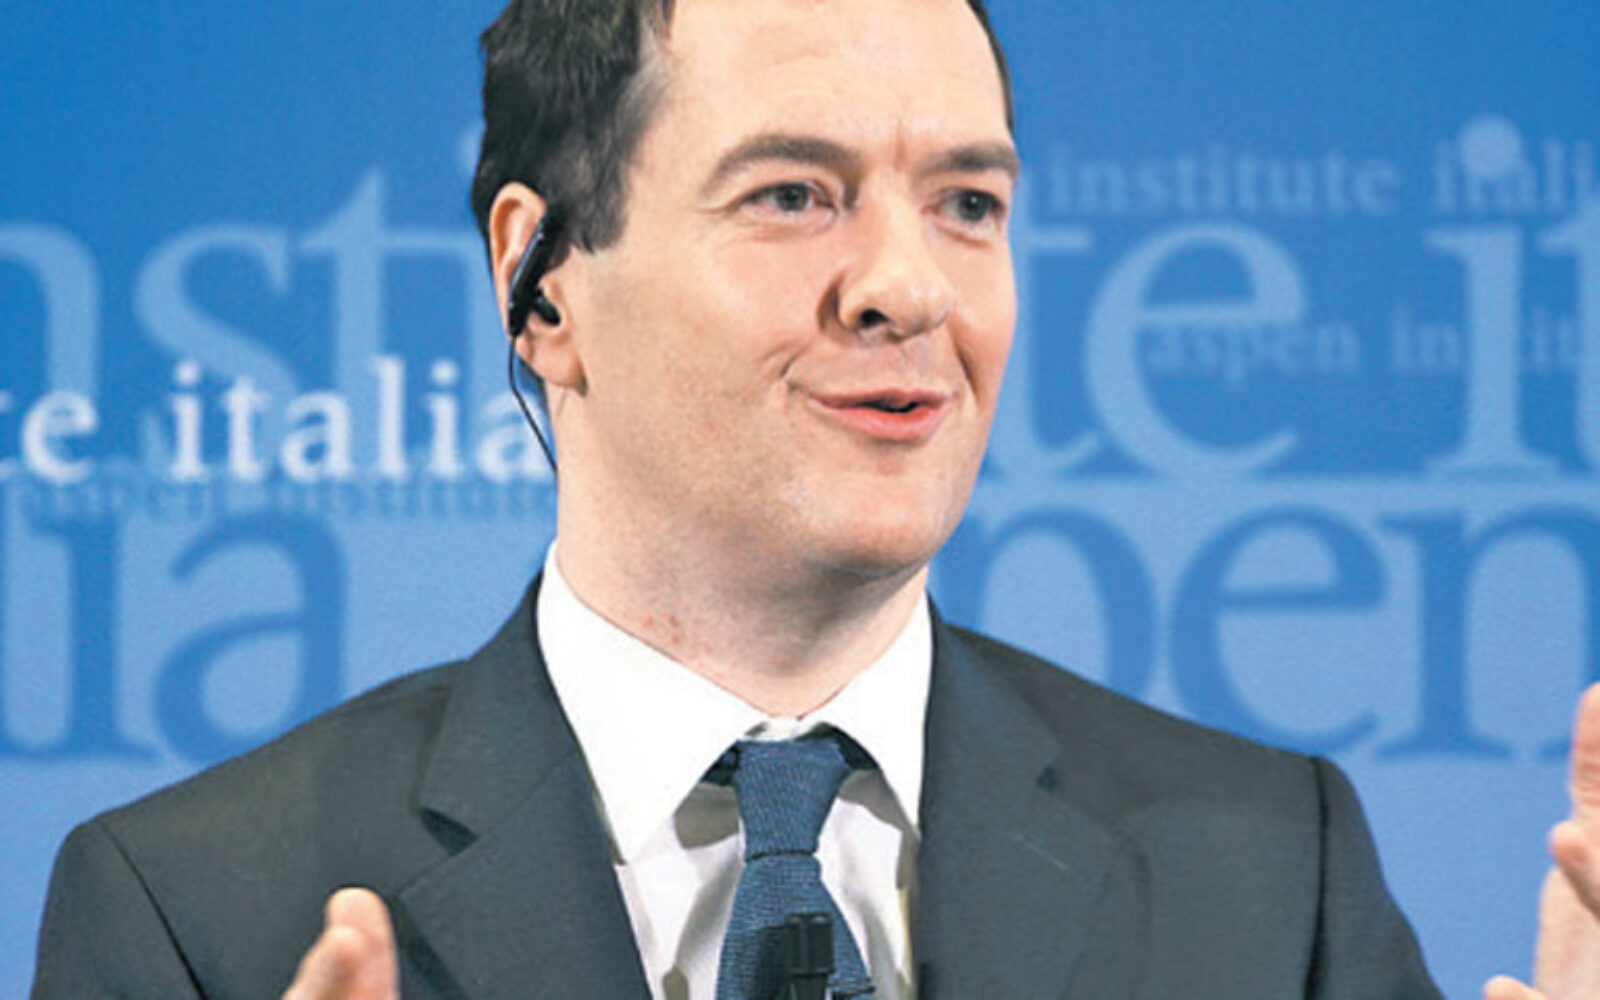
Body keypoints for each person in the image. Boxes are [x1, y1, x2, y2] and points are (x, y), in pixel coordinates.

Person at [27, 0, 1600, 997]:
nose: (910, 286)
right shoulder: (194, 912)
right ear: (540, 282)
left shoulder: (1268, 872)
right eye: (791, 194)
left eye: (968, 202)